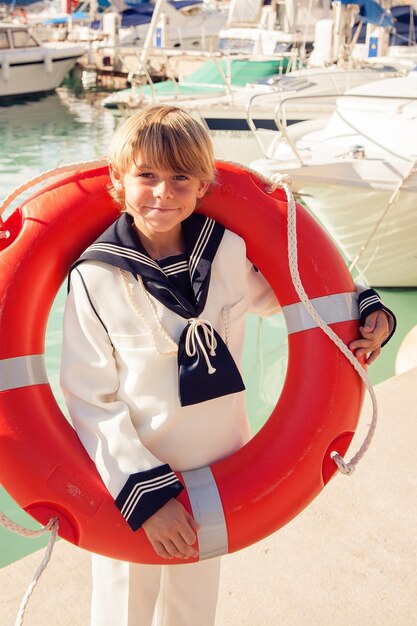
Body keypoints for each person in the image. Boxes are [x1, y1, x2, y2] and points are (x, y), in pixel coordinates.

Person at [60, 105, 396, 626]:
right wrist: (146, 496)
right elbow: (90, 398)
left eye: (180, 179)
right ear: (118, 180)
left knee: (194, 612)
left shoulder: (227, 253)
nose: (162, 193)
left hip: (220, 472)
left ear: (202, 184)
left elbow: (300, 295)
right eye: (146, 176)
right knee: (122, 608)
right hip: (133, 482)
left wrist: (368, 311)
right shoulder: (96, 275)